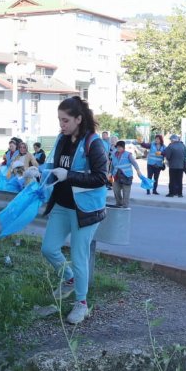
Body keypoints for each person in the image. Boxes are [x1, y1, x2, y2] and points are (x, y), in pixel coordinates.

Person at [40, 96, 108, 325]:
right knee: (48, 248)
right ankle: (69, 280)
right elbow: (52, 165)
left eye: (65, 120)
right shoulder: (62, 139)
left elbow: (101, 178)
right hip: (61, 204)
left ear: (79, 119)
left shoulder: (94, 143)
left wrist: (68, 175)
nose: (62, 125)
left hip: (85, 210)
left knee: (79, 257)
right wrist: (37, 172)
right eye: (59, 120)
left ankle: (81, 303)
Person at [109, 140, 146, 208]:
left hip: (126, 176)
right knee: (116, 190)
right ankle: (119, 203)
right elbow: (112, 165)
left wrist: (138, 171)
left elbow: (134, 163)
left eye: (120, 147)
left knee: (126, 192)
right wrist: (110, 174)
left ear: (123, 148)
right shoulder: (114, 155)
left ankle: (125, 205)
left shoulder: (128, 154)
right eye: (117, 147)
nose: (118, 148)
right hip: (116, 176)